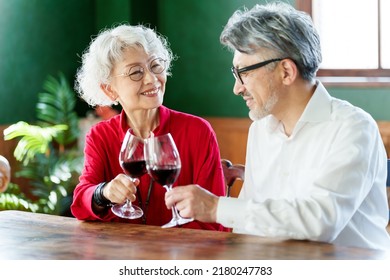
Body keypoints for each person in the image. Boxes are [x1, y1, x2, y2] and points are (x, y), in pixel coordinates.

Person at [165, 2, 390, 250]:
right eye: (235, 74)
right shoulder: (260, 129)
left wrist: (216, 207)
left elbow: (320, 222)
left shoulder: (353, 128)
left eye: (244, 73)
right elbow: (247, 228)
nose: (237, 88)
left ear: (285, 71)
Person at [70, 24, 226, 231]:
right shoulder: (100, 135)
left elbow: (215, 221)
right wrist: (104, 192)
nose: (152, 79)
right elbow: (81, 203)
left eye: (156, 66)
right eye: (136, 72)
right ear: (109, 90)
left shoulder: (198, 131)